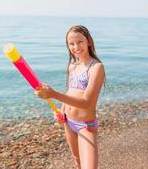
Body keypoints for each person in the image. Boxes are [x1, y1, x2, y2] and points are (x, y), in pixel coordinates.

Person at [35, 25, 105, 169]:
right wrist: (60, 111)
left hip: (86, 125)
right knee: (77, 162)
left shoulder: (96, 67)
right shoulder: (72, 66)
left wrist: (53, 94)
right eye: (71, 44)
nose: (76, 47)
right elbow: (70, 91)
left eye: (80, 42)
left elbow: (86, 102)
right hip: (69, 121)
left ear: (89, 41)